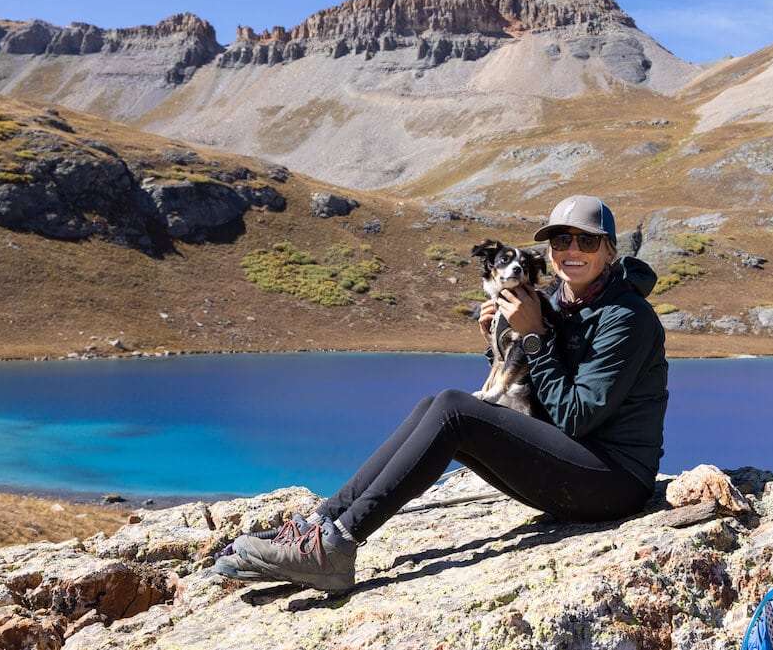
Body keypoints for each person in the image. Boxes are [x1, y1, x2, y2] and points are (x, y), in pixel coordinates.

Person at [216, 194, 669, 592]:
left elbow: (575, 418)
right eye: (560, 241)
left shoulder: (626, 317)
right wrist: (499, 340)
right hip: (571, 460)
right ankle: (322, 524)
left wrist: (534, 338)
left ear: (609, 250)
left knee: (454, 408)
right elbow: (535, 394)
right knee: (433, 406)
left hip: (612, 480)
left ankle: (337, 548)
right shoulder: (556, 302)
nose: (572, 250)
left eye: (587, 241)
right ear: (549, 253)